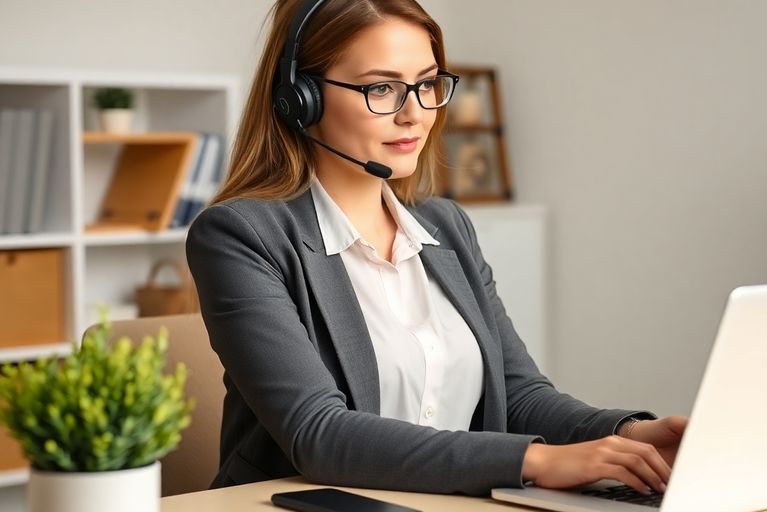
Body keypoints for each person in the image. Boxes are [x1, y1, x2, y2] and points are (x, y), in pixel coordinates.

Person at [186, 0, 688, 497]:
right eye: (382, 88)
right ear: (300, 98)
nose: (414, 114)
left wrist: (629, 436)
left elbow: (516, 394)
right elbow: (319, 433)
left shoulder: (445, 225)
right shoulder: (241, 235)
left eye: (426, 84)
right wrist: (536, 460)